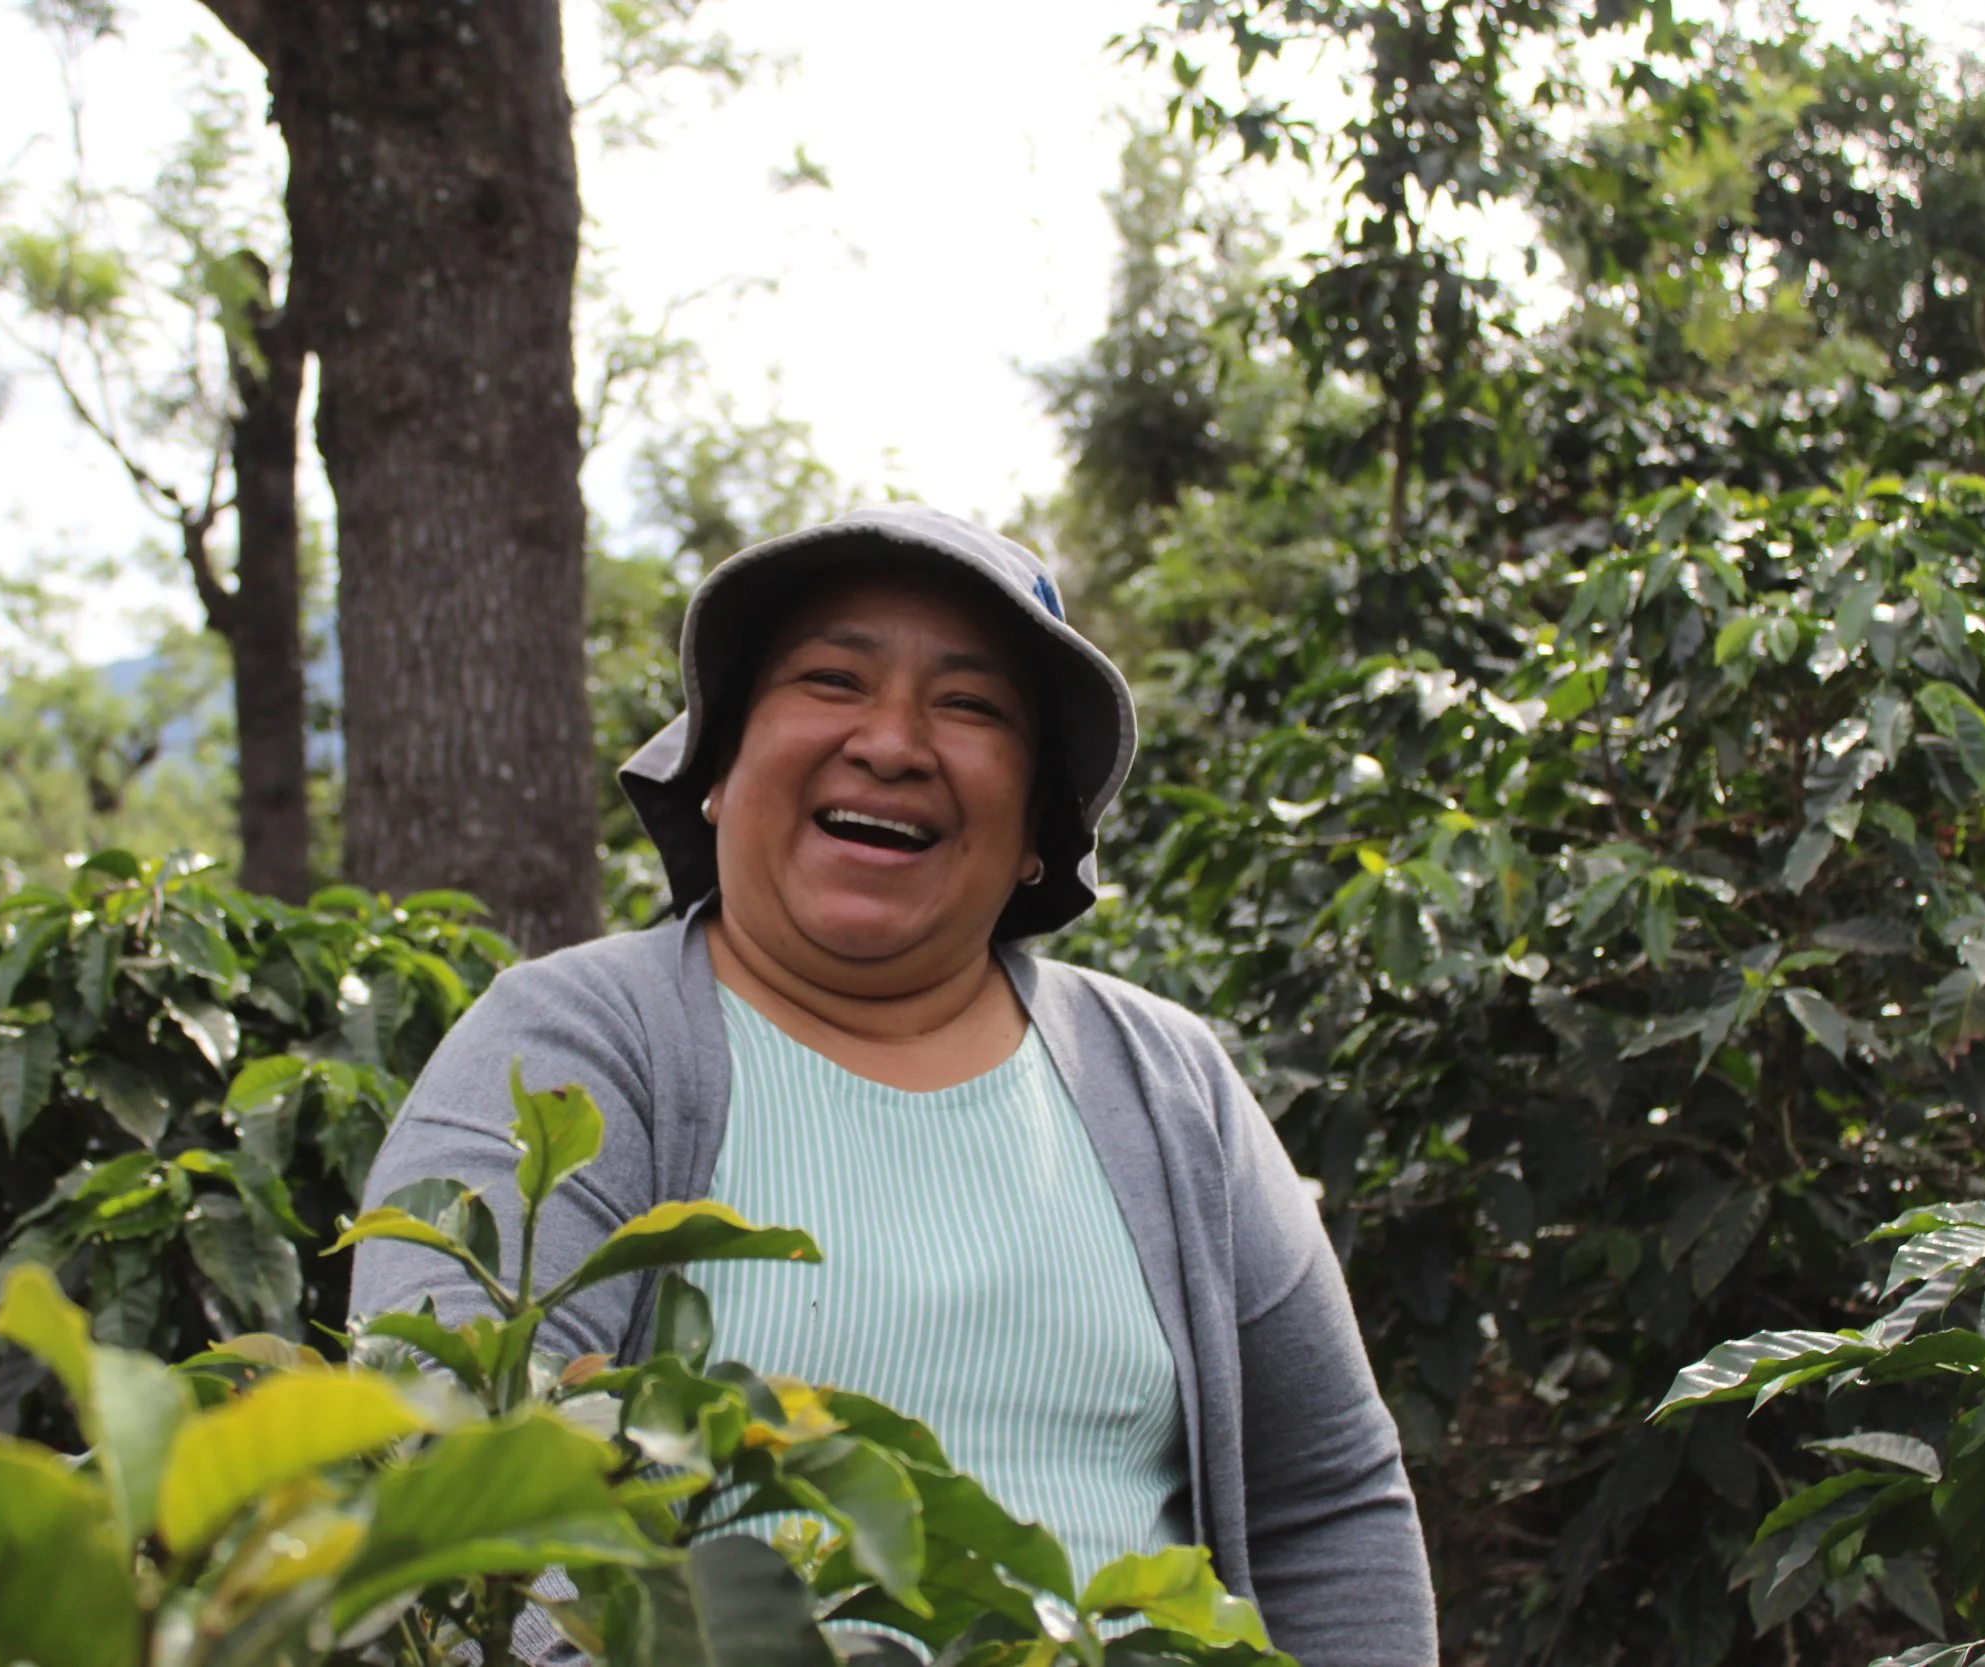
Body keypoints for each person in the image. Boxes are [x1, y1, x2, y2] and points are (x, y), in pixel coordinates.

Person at [350, 503, 1438, 1663]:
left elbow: (1325, 1498)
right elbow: (443, 1481)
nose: (892, 740)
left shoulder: (1167, 1083)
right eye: (831, 679)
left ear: (1036, 826)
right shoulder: (573, 1045)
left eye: (969, 705)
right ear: (715, 768)